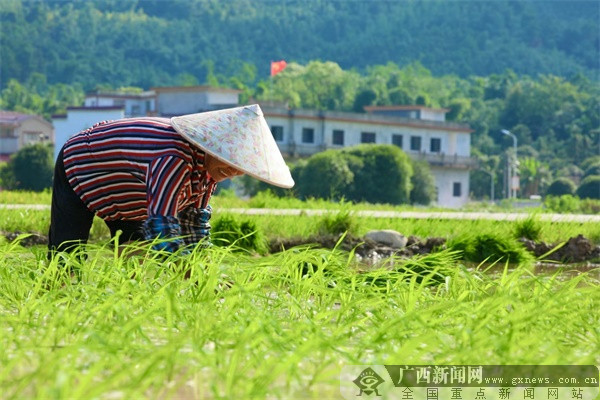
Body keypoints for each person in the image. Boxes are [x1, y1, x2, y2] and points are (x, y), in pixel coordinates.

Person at [47, 104, 294, 258]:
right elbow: (162, 225)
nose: (234, 171)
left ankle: (126, 312)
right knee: (67, 254)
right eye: (230, 160)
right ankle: (56, 307)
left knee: (134, 262)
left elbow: (195, 224)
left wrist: (204, 275)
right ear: (212, 146)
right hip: (82, 162)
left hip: (133, 189)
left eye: (241, 166)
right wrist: (190, 273)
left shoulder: (209, 172)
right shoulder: (173, 157)